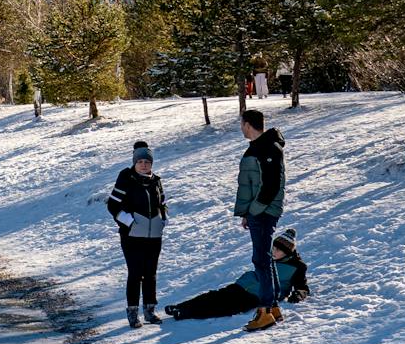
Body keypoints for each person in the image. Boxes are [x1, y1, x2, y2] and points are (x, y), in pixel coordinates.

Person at [166, 229, 310, 320]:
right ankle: (180, 306)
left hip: (257, 295)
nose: (274, 251)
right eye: (274, 247)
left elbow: (303, 287)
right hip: (243, 284)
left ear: (287, 252)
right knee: (213, 296)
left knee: (224, 307)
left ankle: (185, 312)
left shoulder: (297, 267)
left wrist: (298, 295)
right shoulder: (268, 257)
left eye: (278, 250)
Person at [233, 108, 287, 332]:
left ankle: (265, 310)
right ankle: (273, 307)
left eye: (241, 124)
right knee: (264, 258)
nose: (241, 128)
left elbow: (271, 185)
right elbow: (252, 183)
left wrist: (254, 210)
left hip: (264, 211)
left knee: (260, 260)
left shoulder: (268, 147)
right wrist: (247, 213)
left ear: (247, 124)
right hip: (257, 212)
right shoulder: (257, 147)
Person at [106, 139, 167, 328]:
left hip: (153, 236)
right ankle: (132, 312)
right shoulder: (126, 178)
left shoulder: (156, 181)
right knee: (135, 273)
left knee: (151, 273)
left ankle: (150, 311)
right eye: (140, 162)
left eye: (147, 162)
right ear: (134, 162)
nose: (144, 165)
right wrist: (130, 223)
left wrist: (162, 221)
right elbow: (113, 205)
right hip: (132, 237)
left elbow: (162, 204)